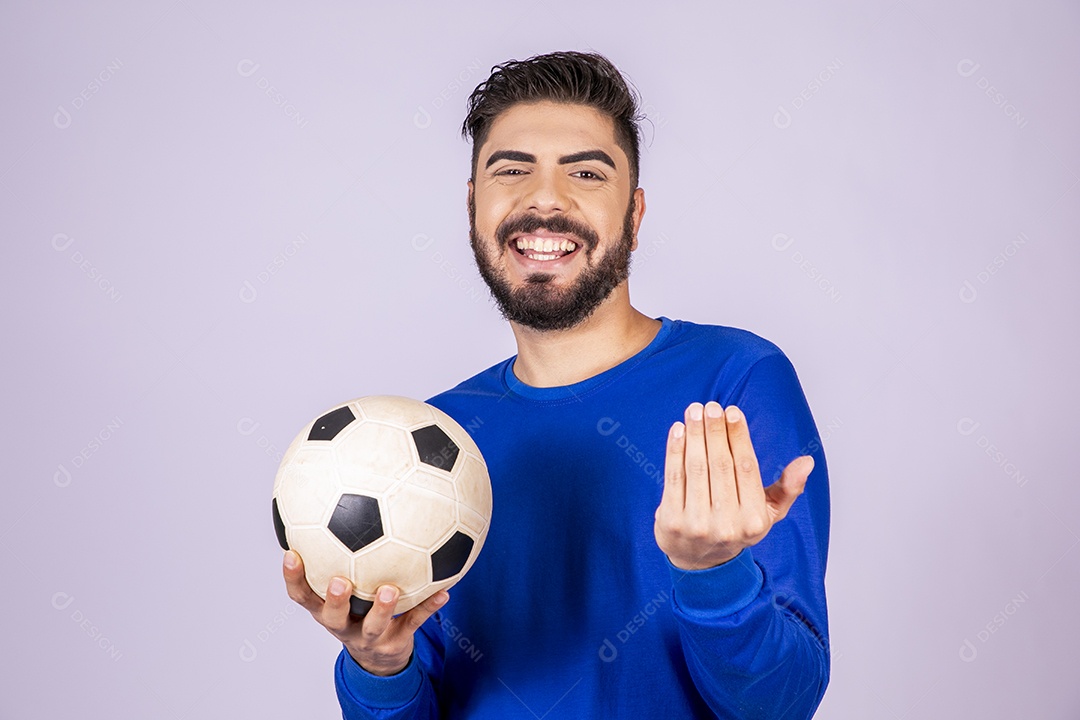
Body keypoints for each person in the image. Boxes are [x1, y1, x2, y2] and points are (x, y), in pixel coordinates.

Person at [283, 50, 831, 719]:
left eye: (586, 173)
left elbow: (781, 706)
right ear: (472, 206)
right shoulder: (434, 442)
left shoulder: (733, 383)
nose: (545, 198)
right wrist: (379, 667)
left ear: (634, 215)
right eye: (512, 170)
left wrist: (713, 573)